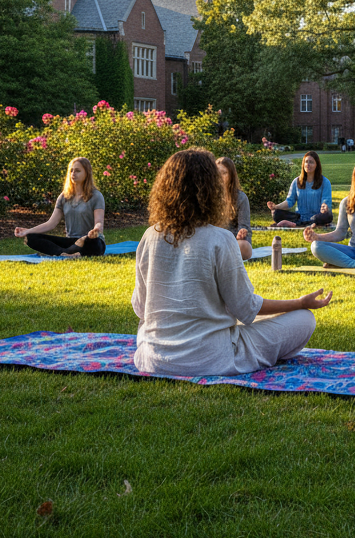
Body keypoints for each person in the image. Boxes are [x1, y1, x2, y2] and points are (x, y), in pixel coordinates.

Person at [132, 148, 332, 377]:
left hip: (153, 359)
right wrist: (298, 302)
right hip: (211, 358)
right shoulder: (220, 238)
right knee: (304, 319)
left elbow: (140, 308)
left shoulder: (149, 236)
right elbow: (246, 309)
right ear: (210, 190)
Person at [14, 156, 105, 257]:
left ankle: (70, 251)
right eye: (71, 171)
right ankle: (66, 253)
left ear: (87, 173)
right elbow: (51, 223)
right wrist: (27, 231)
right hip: (70, 240)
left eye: (78, 171)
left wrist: (95, 230)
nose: (73, 174)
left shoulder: (96, 196)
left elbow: (99, 222)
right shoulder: (64, 196)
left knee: (95, 244)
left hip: (89, 240)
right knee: (30, 238)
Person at [267, 151, 333, 228]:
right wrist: (276, 207)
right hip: (299, 217)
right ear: (303, 164)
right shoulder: (296, 181)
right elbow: (289, 201)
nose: (308, 164)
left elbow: (326, 200)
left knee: (327, 216)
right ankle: (307, 224)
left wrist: (325, 207)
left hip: (316, 216)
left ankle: (299, 224)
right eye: (306, 162)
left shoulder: (325, 182)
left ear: (316, 165)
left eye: (311, 162)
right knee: (276, 213)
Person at [215, 156, 253, 261]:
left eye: (224, 173)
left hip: (233, 241)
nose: (220, 177)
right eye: (217, 173)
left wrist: (241, 234)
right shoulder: (208, 197)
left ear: (231, 176)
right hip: (212, 240)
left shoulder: (240, 198)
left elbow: (245, 227)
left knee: (243, 246)